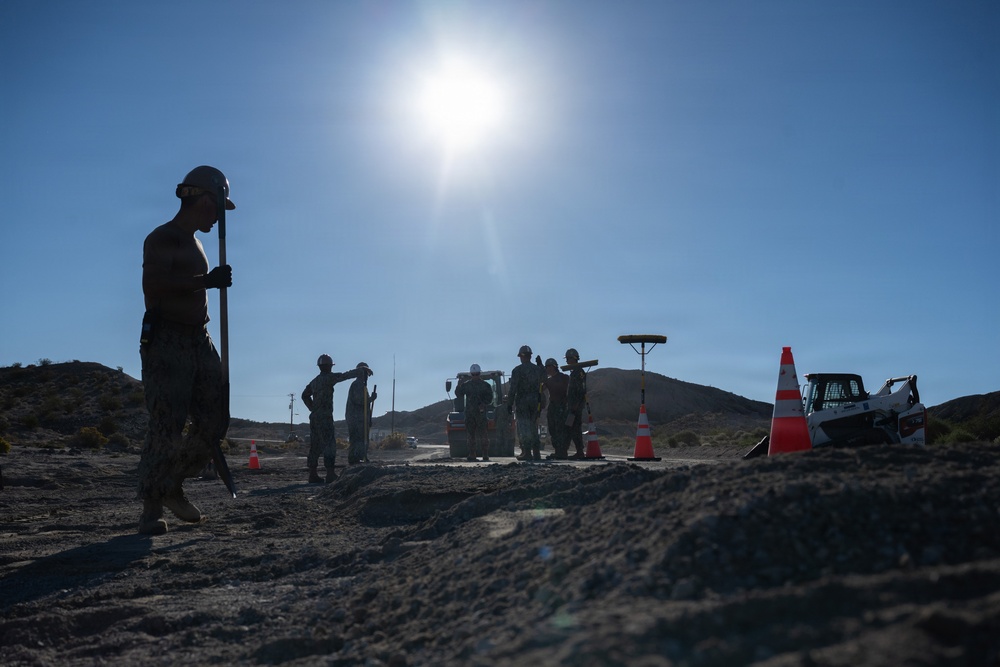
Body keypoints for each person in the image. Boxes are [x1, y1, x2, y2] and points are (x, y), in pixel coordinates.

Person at [137, 165, 236, 536]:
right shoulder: (164, 237)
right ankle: (151, 506)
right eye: (220, 209)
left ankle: (171, 484)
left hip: (200, 339)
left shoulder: (197, 242)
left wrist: (207, 282)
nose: (219, 217)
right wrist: (206, 281)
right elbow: (153, 284)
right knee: (167, 423)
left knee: (215, 418)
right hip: (168, 338)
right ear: (207, 201)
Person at [302, 355, 372, 483]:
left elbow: (304, 395)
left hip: (314, 418)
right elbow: (344, 376)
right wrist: (360, 370)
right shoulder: (328, 378)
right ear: (329, 366)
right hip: (325, 417)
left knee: (315, 446)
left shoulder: (314, 381)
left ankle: (312, 474)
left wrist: (313, 408)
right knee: (329, 445)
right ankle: (330, 474)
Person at [506, 345, 546, 461]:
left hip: (522, 402)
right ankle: (537, 453)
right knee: (534, 426)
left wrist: (509, 403)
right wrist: (541, 366)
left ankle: (527, 452)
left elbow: (513, 389)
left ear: (521, 357)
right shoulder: (537, 369)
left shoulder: (517, 370)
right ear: (530, 356)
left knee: (524, 427)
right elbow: (544, 379)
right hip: (535, 402)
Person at [455, 364, 494, 461]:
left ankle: (485, 454)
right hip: (470, 414)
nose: (475, 376)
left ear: (479, 374)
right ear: (471, 375)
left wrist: (484, 404)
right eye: (473, 374)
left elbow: (490, 398)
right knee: (470, 434)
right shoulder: (466, 385)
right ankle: (472, 453)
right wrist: (459, 385)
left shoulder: (486, 385)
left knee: (484, 434)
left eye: (476, 374)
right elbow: (459, 394)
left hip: (481, 413)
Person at [346, 362, 377, 465]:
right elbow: (359, 401)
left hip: (362, 418)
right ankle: (354, 459)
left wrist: (368, 419)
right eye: (365, 373)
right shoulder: (357, 385)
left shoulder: (362, 386)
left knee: (363, 439)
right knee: (357, 439)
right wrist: (371, 399)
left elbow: (365, 405)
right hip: (356, 419)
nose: (367, 376)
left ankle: (362, 457)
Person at [541, 358, 570, 459]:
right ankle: (558, 451)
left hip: (561, 406)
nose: (547, 369)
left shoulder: (564, 378)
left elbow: (568, 390)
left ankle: (562, 451)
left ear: (553, 367)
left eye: (548, 367)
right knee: (553, 429)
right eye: (546, 367)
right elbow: (541, 388)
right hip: (552, 406)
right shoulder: (548, 380)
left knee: (561, 429)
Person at [565, 347, 587, 459]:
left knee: (575, 428)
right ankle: (575, 450)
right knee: (571, 427)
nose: (567, 361)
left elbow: (581, 390)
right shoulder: (575, 372)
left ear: (573, 358)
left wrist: (576, 404)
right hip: (573, 405)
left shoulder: (578, 372)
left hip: (575, 406)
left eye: (568, 358)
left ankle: (579, 451)